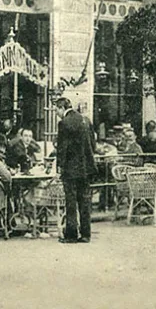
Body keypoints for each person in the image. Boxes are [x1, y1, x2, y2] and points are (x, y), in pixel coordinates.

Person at [55, 98, 96, 244]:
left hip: (71, 169)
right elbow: (93, 144)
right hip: (86, 168)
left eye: (56, 110)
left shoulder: (64, 123)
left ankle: (71, 235)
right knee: (85, 201)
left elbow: (62, 148)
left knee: (71, 202)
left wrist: (59, 167)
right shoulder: (86, 120)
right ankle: (86, 234)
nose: (56, 113)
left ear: (61, 108)